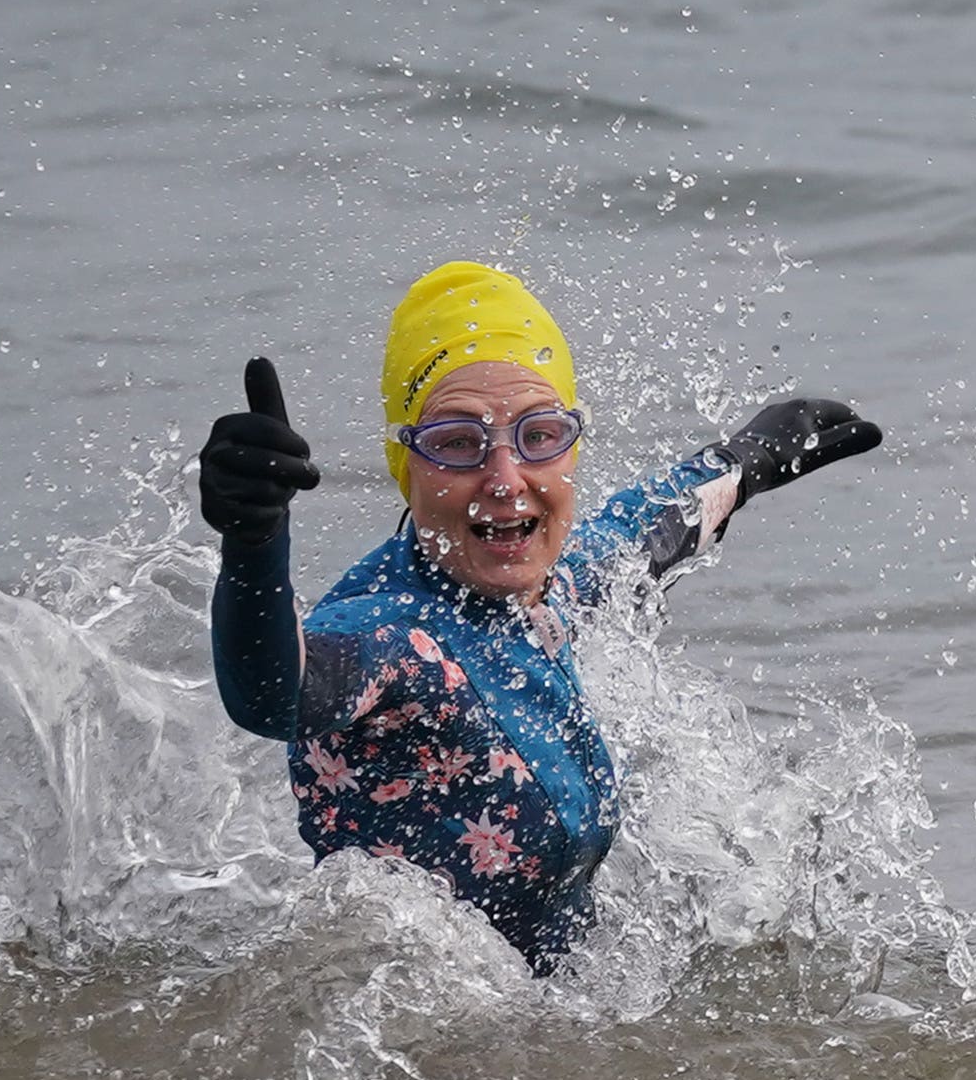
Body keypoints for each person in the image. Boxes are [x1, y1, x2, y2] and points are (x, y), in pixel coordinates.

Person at [197, 260, 882, 969]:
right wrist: (253, 544)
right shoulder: (393, 632)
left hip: (550, 1014)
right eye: (457, 443)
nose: (504, 479)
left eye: (539, 435)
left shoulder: (556, 582)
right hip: (417, 1036)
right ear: (406, 462)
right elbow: (275, 695)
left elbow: (648, 531)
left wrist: (743, 462)